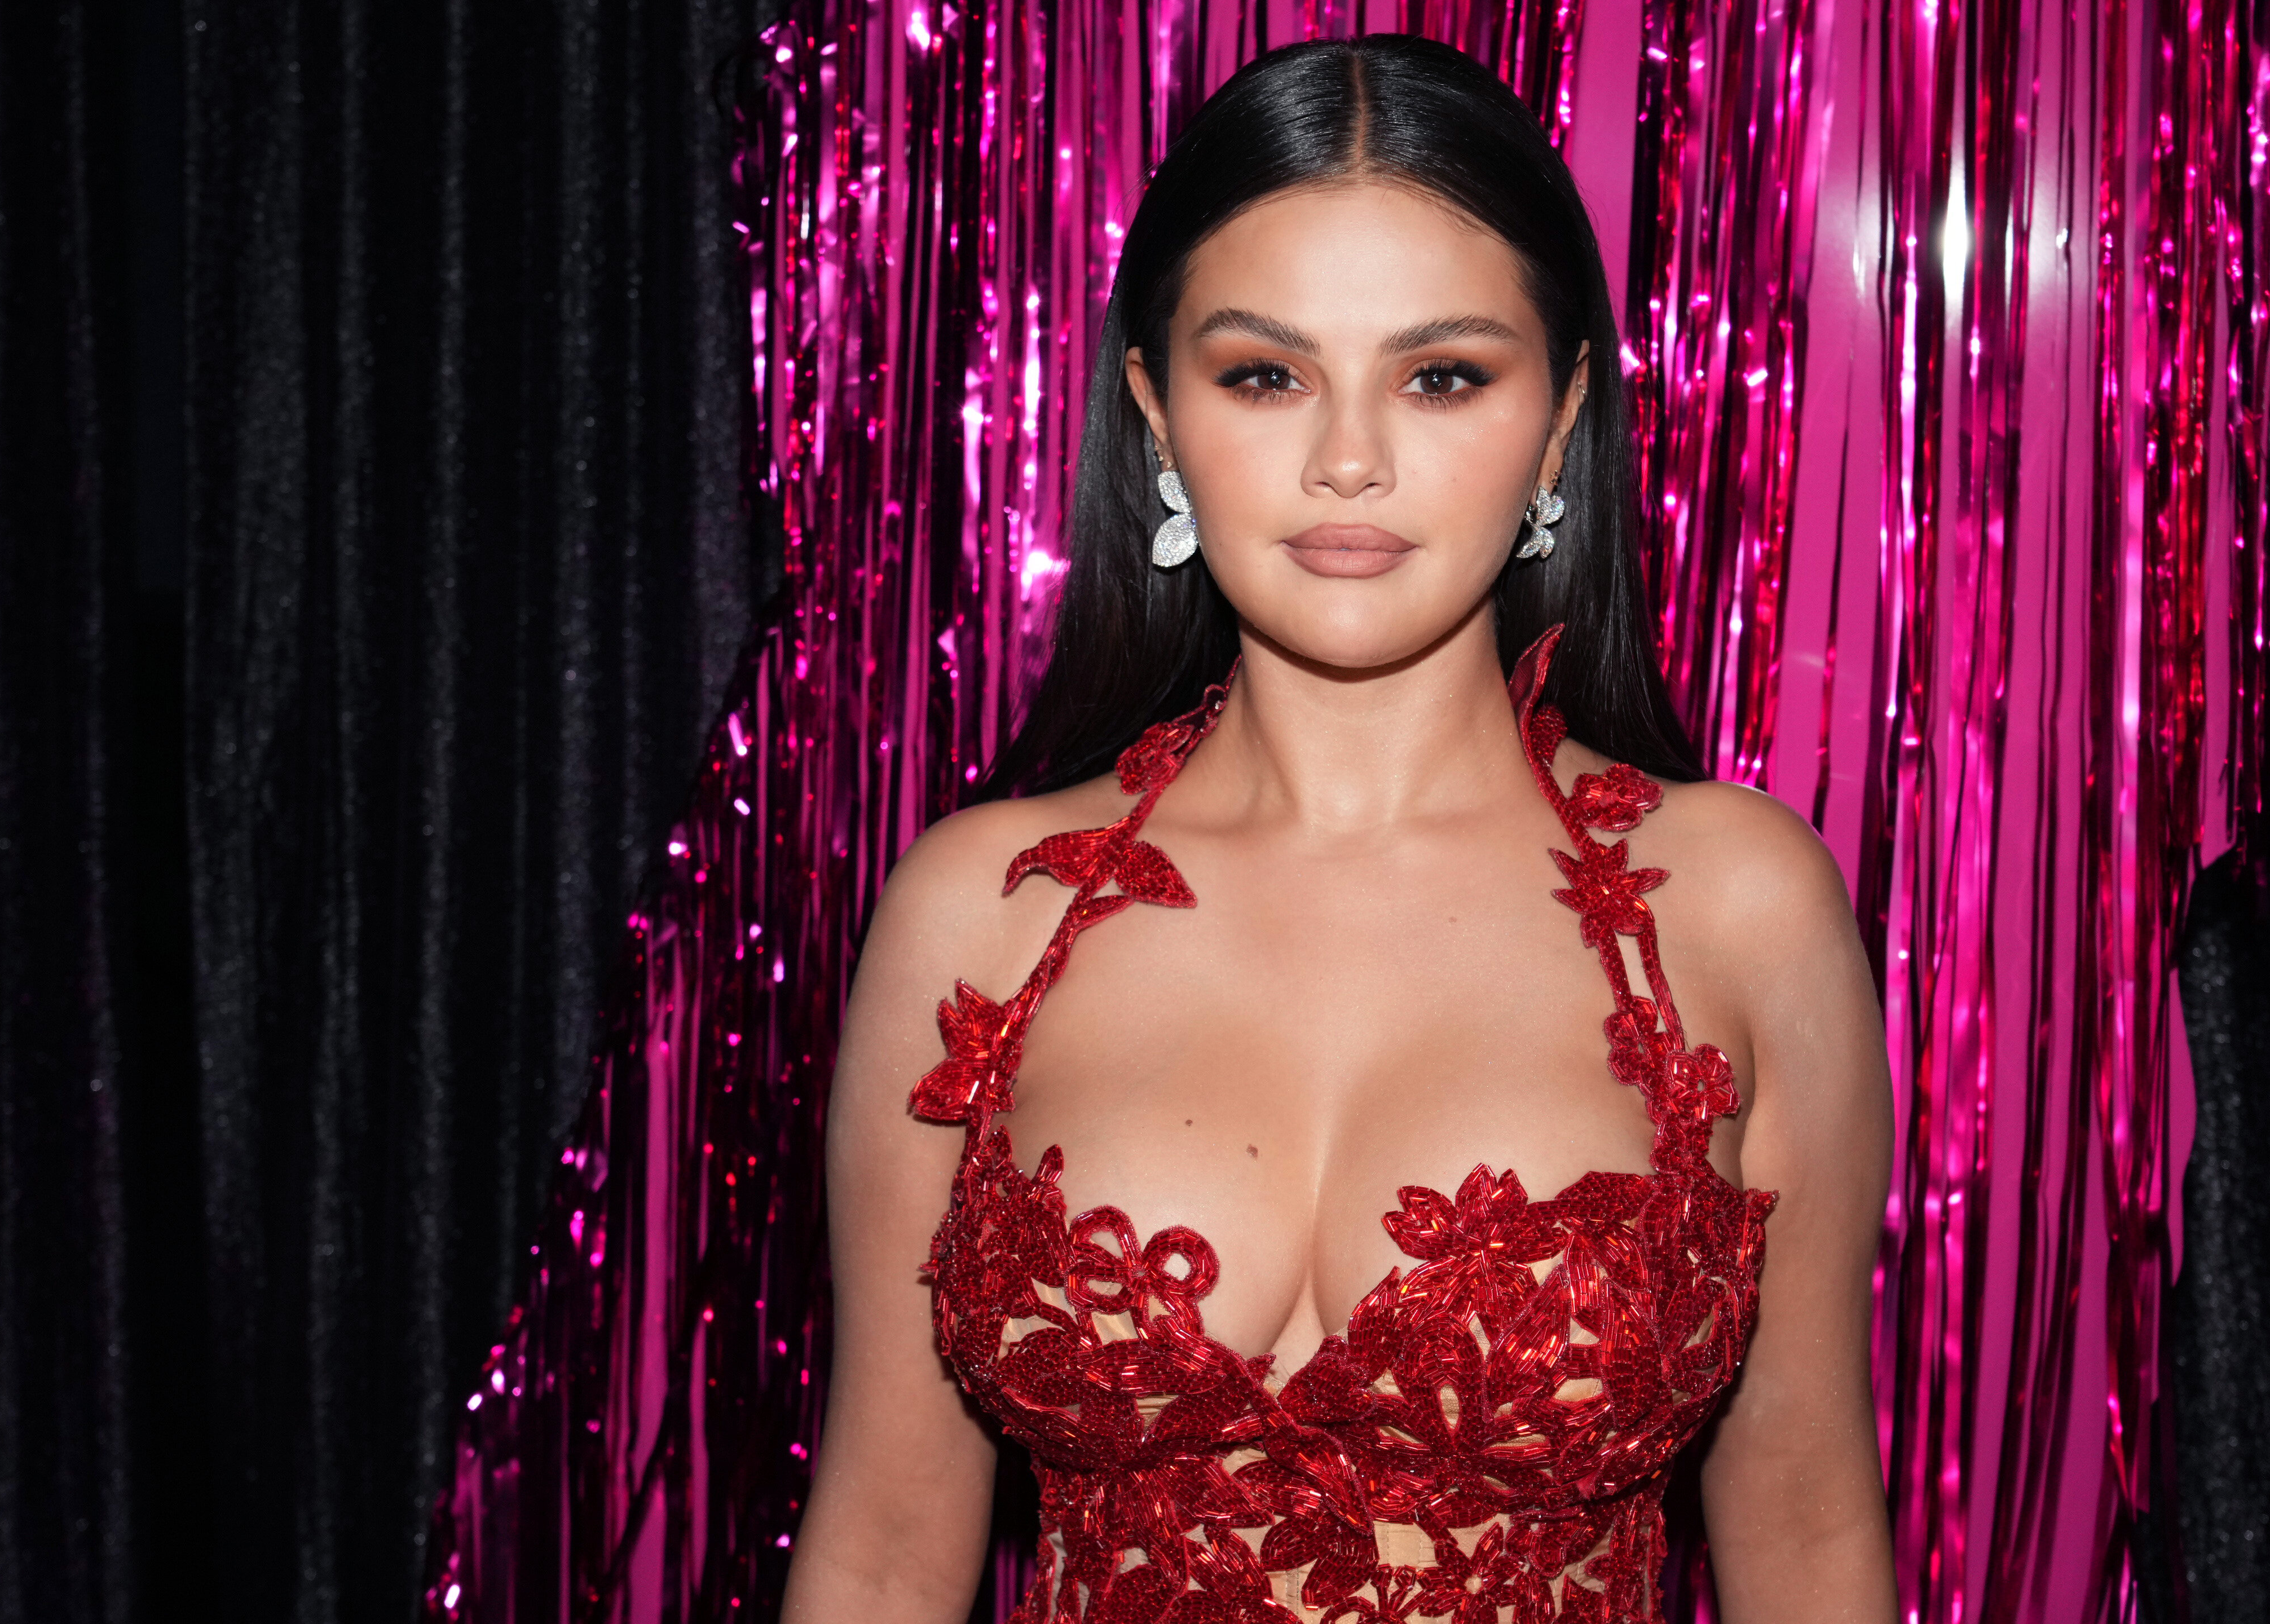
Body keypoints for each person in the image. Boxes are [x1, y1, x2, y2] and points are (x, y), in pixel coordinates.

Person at [782, 33, 1896, 1624]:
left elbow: (1806, 1541)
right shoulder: (982, 914)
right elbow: (886, 1553)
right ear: (1157, 412)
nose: (1349, 458)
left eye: (1442, 375)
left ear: (1564, 415)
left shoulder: (1731, 907)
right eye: (1264, 374)